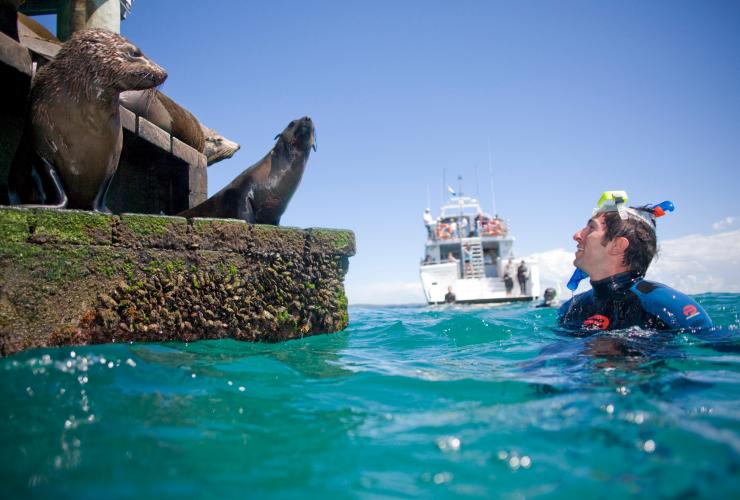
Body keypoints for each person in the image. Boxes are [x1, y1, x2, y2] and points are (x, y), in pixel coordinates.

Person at [558, 191, 713, 331]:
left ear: (617, 245)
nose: (577, 235)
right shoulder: (573, 308)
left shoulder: (668, 306)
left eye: (591, 228)